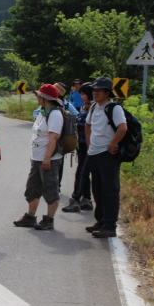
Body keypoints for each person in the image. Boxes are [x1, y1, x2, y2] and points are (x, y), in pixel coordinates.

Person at [13, 84, 63, 230]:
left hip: (49, 159)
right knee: (32, 188)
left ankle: (49, 220)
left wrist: (47, 157)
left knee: (50, 188)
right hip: (37, 157)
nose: (37, 97)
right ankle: (30, 216)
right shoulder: (43, 112)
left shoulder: (55, 114)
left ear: (45, 98)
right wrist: (34, 157)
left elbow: (53, 137)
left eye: (39, 95)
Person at [85, 77, 127, 238]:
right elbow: (88, 125)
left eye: (98, 90)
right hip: (94, 153)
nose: (94, 93)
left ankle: (110, 225)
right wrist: (89, 143)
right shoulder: (94, 107)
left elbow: (122, 128)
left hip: (107, 155)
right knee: (97, 189)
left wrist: (112, 144)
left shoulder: (114, 108)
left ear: (107, 93)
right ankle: (101, 220)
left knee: (110, 190)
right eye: (94, 90)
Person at [62, 82, 94, 212]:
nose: (81, 97)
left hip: (89, 146)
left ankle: (75, 200)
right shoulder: (86, 108)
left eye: (84, 94)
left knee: (81, 173)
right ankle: (86, 199)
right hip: (83, 145)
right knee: (84, 173)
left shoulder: (94, 108)